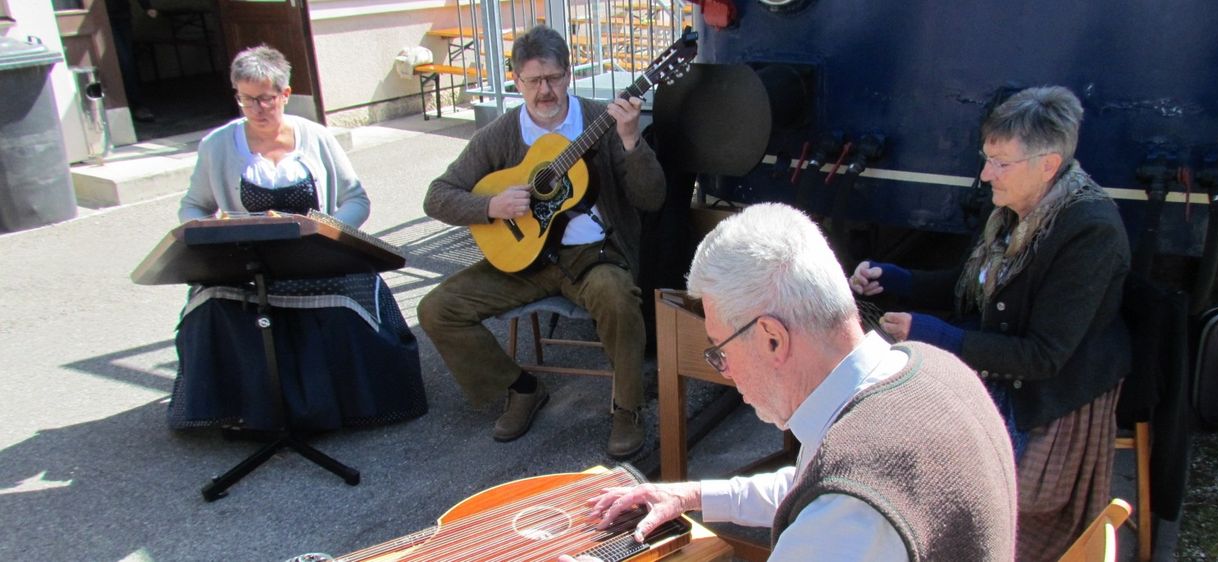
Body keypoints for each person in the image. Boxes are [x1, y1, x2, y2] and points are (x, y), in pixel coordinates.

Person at [568, 203, 1017, 561]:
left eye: (720, 350)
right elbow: (815, 483)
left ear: (771, 338)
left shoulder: (851, 514)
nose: (723, 369)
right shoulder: (931, 368)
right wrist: (692, 494)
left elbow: (841, 499)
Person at [850, 86, 1131, 560]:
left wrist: (936, 335)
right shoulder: (1013, 211)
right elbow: (972, 287)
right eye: (987, 159)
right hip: (1002, 368)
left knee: (945, 486)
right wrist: (895, 278)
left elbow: (1042, 356)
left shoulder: (1089, 230)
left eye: (1000, 163)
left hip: (1048, 394)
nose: (985, 174)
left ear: (1049, 164)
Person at [416, 25, 664, 458]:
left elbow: (652, 197)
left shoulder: (598, 121)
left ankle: (627, 407)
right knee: (437, 309)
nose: (544, 90)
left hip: (593, 254)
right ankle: (522, 388)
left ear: (569, 75)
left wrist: (630, 140)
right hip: (525, 259)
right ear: (517, 82)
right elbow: (437, 196)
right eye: (533, 81)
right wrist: (490, 207)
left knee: (618, 297)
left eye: (552, 78)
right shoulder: (501, 134)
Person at [171, 45, 427, 432]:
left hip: (315, 256)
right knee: (206, 304)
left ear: (285, 95)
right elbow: (192, 206)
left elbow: (356, 199)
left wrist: (328, 234)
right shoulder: (217, 145)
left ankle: (350, 406)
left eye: (266, 99)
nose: (256, 108)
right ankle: (242, 410)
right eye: (246, 99)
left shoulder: (316, 137)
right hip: (247, 260)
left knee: (354, 292)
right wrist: (207, 231)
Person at [106, 0, 158, 122]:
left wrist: (147, 6)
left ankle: (136, 105)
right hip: (101, 17)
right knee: (121, 60)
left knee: (127, 61)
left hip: (120, 16)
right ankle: (125, 106)